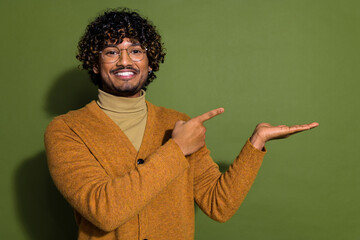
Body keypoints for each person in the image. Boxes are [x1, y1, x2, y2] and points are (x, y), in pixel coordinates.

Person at [44, 8, 319, 240]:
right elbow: (105, 212)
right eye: (111, 51)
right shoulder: (66, 130)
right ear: (95, 64)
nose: (125, 60)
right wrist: (177, 149)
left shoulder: (177, 123)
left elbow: (218, 205)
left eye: (136, 50)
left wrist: (256, 142)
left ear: (150, 63)